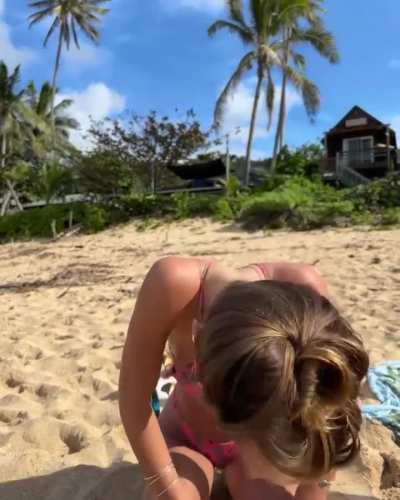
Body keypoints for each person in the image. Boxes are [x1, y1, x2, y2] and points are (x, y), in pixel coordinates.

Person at [119, 257, 369, 500]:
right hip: (186, 436)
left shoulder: (306, 288)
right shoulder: (174, 283)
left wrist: (314, 490)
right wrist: (167, 488)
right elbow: (134, 400)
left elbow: (330, 405)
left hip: (262, 448)